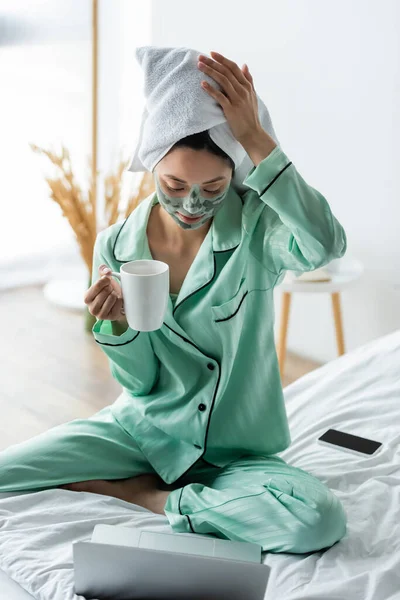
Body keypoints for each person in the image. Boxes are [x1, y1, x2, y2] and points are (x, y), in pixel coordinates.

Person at [0, 51, 347, 553]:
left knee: (317, 520)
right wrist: (117, 328)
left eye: (213, 186)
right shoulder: (116, 246)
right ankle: (154, 484)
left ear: (235, 173)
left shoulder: (258, 228)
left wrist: (257, 139)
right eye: (174, 185)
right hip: (141, 432)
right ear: (152, 164)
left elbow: (326, 245)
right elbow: (141, 382)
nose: (191, 204)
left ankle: (151, 499)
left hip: (235, 456)